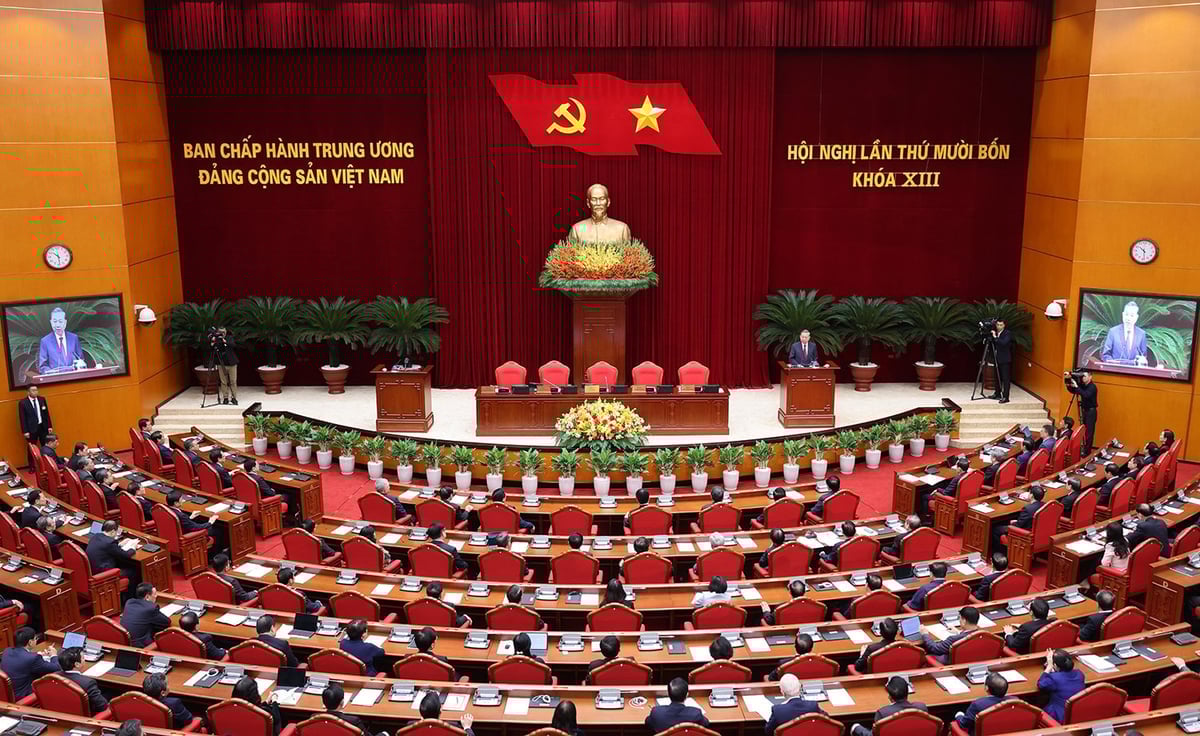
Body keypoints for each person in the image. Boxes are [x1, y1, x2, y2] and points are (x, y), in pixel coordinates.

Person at [851, 675, 928, 736]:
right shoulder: (922, 708)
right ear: (907, 692)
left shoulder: (883, 713)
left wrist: (856, 728)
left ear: (890, 697)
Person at [1, 627, 60, 699]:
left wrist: (37, 654)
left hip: (7, 693)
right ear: (30, 642)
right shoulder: (33, 658)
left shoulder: (7, 651)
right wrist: (54, 655)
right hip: (22, 697)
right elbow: (56, 668)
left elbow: (23, 658)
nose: (36, 640)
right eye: (36, 638)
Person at [87, 519, 140, 586]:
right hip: (105, 573)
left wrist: (119, 544)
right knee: (133, 571)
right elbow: (126, 555)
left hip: (93, 569)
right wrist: (133, 547)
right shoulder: (110, 543)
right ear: (112, 531)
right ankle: (130, 592)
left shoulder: (96, 536)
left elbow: (107, 547)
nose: (116, 535)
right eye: (116, 532)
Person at [992, 485, 1045, 551]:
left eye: (1029, 493)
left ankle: (1002, 552)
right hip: (1037, 532)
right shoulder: (1044, 506)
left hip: (1025, 533)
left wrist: (1013, 523)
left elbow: (1018, 526)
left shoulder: (1028, 509)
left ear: (1031, 495)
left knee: (996, 529)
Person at [57, 647, 109, 715]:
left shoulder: (53, 676)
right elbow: (103, 706)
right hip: (85, 716)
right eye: (83, 658)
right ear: (77, 664)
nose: (85, 660)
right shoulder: (87, 683)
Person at [645, 678, 709, 732]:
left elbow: (648, 722)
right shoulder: (696, 713)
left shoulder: (656, 712)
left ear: (668, 694)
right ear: (687, 695)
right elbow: (706, 723)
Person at [1038, 649, 1085, 722]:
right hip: (1077, 713)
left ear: (1055, 665)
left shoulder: (1054, 678)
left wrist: (1049, 667)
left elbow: (1041, 684)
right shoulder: (1080, 674)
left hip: (1059, 716)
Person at [36, 307, 85, 372]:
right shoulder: (45, 341)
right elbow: (43, 366)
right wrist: (52, 373)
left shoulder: (74, 338)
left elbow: (81, 360)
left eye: (60, 321)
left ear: (65, 322)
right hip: (55, 377)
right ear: (51, 322)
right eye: (55, 321)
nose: (57, 325)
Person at [1064, 370, 1099, 453]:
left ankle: (1087, 451)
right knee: (1083, 430)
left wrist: (1077, 387)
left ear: (1090, 377)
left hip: (1091, 412)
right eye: (1082, 376)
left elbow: (1086, 395)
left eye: (1085, 376)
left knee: (1089, 433)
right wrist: (1069, 383)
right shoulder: (1083, 385)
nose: (1083, 378)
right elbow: (1073, 391)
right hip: (1084, 411)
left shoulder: (1093, 387)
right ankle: (1084, 448)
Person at [210, 326, 238, 406]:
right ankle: (225, 398)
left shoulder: (229, 338)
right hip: (221, 363)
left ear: (226, 332)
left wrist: (225, 341)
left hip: (231, 363)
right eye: (220, 332)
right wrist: (213, 342)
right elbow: (213, 348)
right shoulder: (217, 339)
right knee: (223, 382)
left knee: (233, 381)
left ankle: (234, 398)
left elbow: (233, 345)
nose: (222, 334)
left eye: (223, 332)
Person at [18, 385, 53, 449]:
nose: (35, 392)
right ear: (28, 392)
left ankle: (45, 455)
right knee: (32, 447)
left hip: (43, 427)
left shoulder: (42, 399)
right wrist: (25, 431)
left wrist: (49, 426)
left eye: (36, 390)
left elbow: (46, 413)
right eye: (33, 390)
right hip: (31, 429)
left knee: (46, 446)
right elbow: (22, 418)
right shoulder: (23, 403)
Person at [988, 319, 1014, 403]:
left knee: (1005, 379)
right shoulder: (995, 332)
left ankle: (1006, 397)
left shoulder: (1007, 333)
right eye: (998, 325)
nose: (999, 326)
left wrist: (995, 337)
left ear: (1004, 325)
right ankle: (997, 393)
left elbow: (1003, 343)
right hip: (997, 359)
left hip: (1005, 359)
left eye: (1001, 325)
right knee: (997, 377)